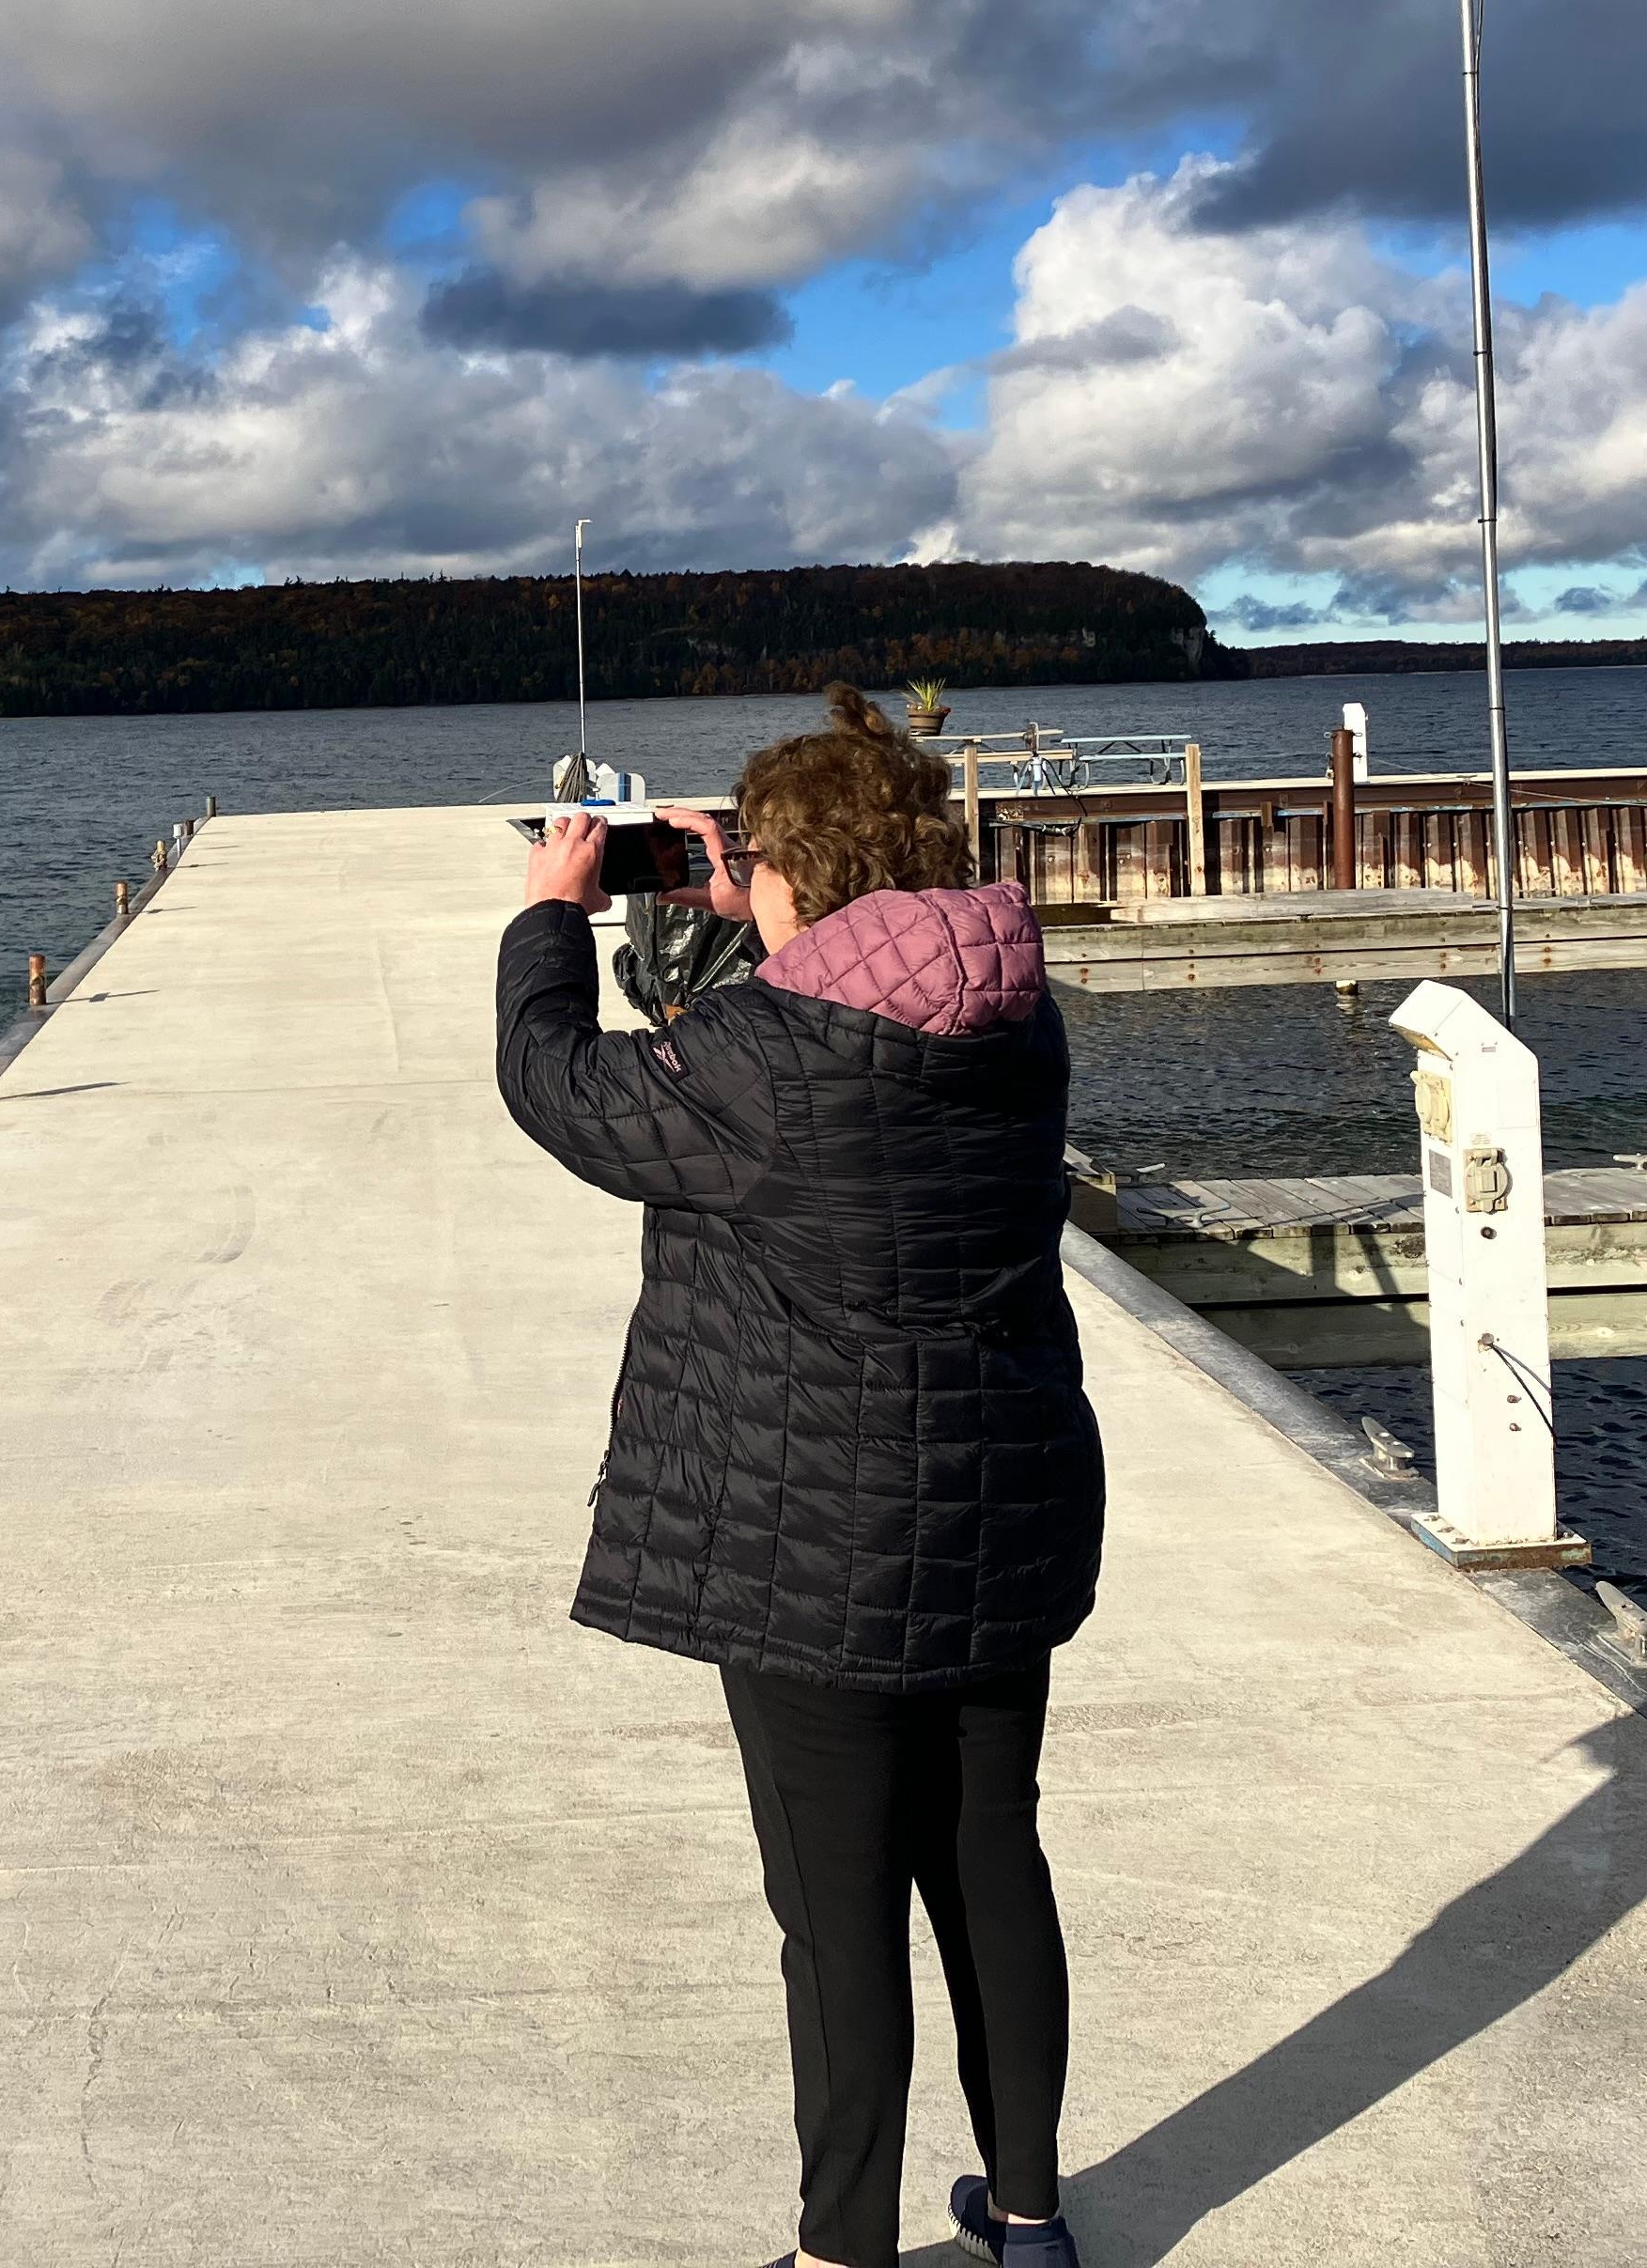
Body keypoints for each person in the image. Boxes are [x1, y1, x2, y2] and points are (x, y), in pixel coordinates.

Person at [497, 684, 1106, 2268]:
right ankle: (1029, 2218)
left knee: (839, 1919)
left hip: (813, 1540)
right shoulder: (1017, 1016)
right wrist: (754, 913)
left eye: (754, 859)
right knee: (990, 1864)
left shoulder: (762, 1060)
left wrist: (553, 915)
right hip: (1002, 1509)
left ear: (797, 874)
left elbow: (559, 1087)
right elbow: (875, 999)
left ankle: (844, 2253)